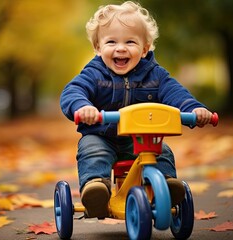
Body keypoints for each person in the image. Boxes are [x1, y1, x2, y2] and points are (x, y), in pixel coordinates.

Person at [60, 1, 213, 219]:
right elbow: (73, 91)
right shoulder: (94, 73)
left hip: (139, 138)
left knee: (163, 151)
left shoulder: (155, 75)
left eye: (130, 42)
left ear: (144, 48)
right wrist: (83, 107)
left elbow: (176, 93)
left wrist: (194, 109)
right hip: (101, 135)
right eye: (111, 41)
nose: (120, 48)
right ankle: (96, 189)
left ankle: (167, 184)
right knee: (92, 151)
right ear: (98, 47)